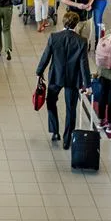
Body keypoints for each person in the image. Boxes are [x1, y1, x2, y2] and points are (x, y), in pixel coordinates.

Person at [35, 12, 91, 148]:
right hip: (73, 79)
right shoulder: (81, 41)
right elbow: (84, 64)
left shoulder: (54, 37)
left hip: (56, 76)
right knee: (71, 109)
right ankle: (67, 139)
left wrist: (39, 72)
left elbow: (46, 56)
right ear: (76, 24)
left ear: (64, 22)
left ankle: (55, 131)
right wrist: (87, 84)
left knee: (51, 102)